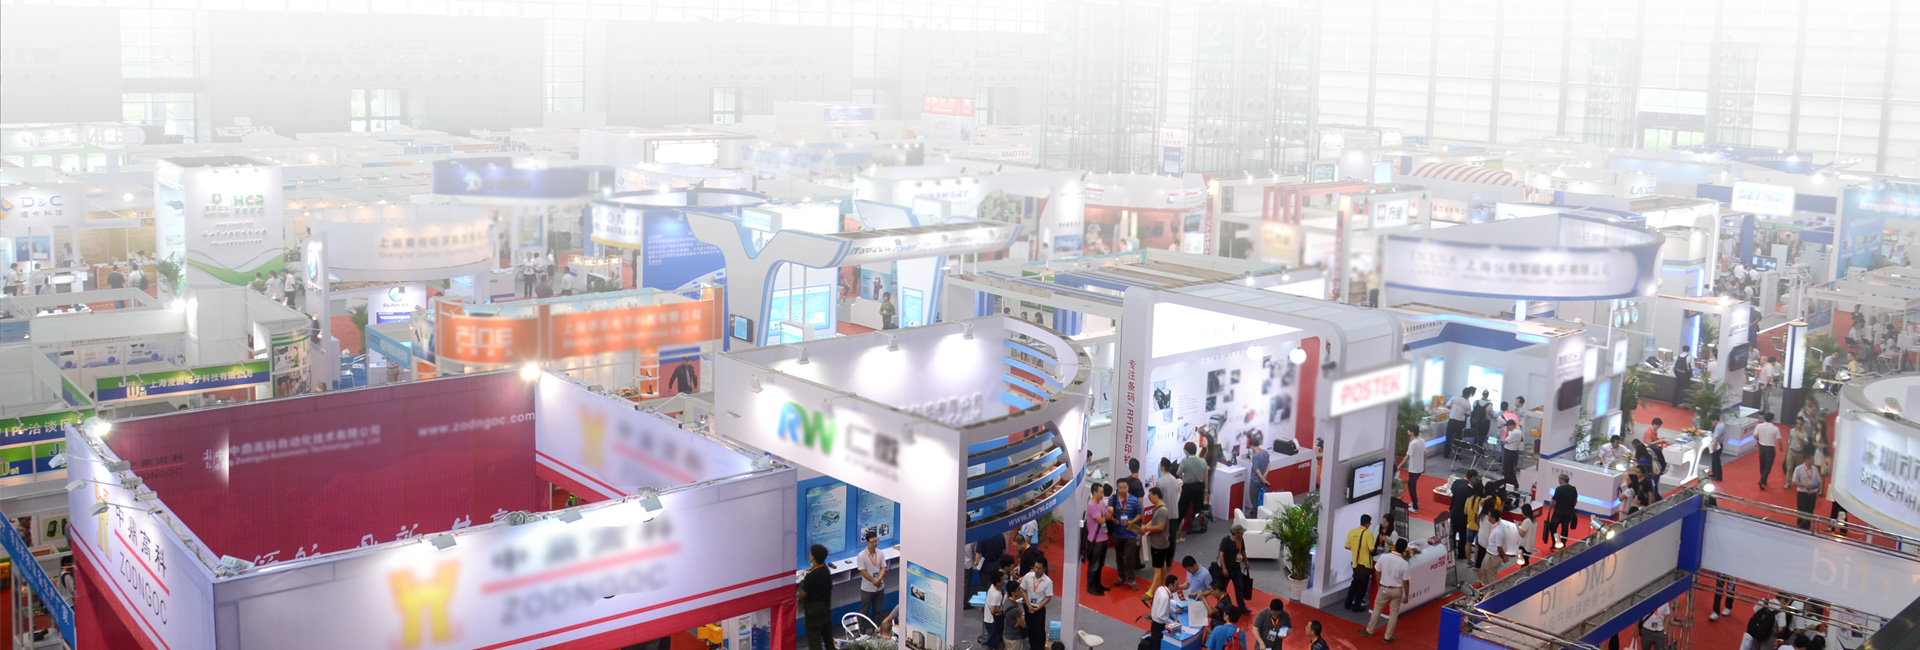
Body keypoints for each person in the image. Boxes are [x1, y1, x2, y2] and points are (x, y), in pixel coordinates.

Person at [1361, 539, 1411, 641]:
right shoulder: (1404, 564)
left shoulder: (1384, 557)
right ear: (1404, 550)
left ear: (1395, 546)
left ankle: (1370, 630)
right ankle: (1388, 637)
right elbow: (1406, 581)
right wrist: (1406, 595)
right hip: (1397, 590)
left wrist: (1379, 584)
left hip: (1384, 588)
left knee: (1377, 610)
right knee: (1393, 614)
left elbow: (1377, 572)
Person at [1110, 480, 1143, 591]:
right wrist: (1112, 519)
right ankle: (1121, 577)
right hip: (1117, 532)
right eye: (1121, 488)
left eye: (1125, 488)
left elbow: (1140, 514)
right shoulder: (1113, 499)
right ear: (1117, 488)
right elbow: (1109, 513)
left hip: (1130, 532)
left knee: (1129, 556)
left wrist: (1132, 521)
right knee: (1119, 556)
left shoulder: (1134, 500)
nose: (1123, 490)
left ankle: (1132, 579)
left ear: (1128, 488)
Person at [799, 544, 833, 650]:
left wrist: (800, 602)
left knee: (815, 642)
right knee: (828, 639)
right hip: (825, 610)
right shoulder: (825, 570)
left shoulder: (811, 576)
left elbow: (803, 594)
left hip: (813, 613)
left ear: (813, 557)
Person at [1478, 505, 1521, 589]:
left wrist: (1503, 557)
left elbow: (1499, 548)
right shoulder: (1496, 525)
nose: (1487, 517)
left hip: (1494, 557)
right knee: (1483, 570)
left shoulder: (1498, 531)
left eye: (1489, 516)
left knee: (1491, 576)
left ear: (1493, 518)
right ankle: (1488, 587)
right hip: (1489, 554)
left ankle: (1492, 592)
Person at [1143, 487, 1176, 595]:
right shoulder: (1159, 508)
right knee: (1162, 564)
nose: (1149, 498)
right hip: (1159, 542)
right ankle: (1160, 585)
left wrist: (1146, 529)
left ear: (1156, 495)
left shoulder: (1162, 510)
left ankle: (1151, 591)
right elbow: (1153, 522)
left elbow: (1160, 527)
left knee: (1157, 568)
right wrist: (1145, 528)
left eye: (1150, 496)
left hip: (1159, 543)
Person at [1342, 514, 1376, 611]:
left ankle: (1348, 603)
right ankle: (1357, 605)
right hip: (1365, 564)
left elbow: (1347, 546)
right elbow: (1371, 549)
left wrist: (1356, 549)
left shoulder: (1352, 532)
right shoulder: (1368, 534)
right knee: (1362, 586)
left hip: (1355, 563)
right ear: (1368, 524)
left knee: (1354, 583)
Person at [1084, 483, 1112, 596]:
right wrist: (1106, 516)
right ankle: (1091, 586)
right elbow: (1101, 520)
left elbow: (1107, 516)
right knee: (1094, 565)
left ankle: (1097, 584)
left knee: (1100, 564)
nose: (1102, 494)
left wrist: (1106, 515)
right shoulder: (1092, 504)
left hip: (1103, 538)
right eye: (1100, 492)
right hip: (1095, 540)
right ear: (1094, 492)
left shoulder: (1100, 503)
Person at [1021, 557, 1052, 650]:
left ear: (1044, 569)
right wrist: (1028, 605)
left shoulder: (1048, 581)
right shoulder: (1028, 576)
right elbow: (1023, 590)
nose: (1036, 570)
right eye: (1035, 567)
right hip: (1028, 606)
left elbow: (1048, 597)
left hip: (1039, 609)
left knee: (1039, 632)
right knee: (1030, 630)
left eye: (1039, 568)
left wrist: (1037, 608)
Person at [1178, 442, 1208, 535]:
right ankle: (1197, 526)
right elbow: (1206, 476)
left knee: (1182, 507)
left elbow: (1178, 473)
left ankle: (1177, 527)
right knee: (1197, 508)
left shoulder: (1184, 462)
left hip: (1188, 488)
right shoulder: (1203, 461)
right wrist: (1206, 488)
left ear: (1186, 451)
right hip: (1200, 487)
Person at [1218, 524, 1251, 609]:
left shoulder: (1241, 540)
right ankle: (1223, 606)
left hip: (1236, 568)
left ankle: (1242, 606)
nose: (1243, 533)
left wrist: (1246, 562)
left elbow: (1242, 551)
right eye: (1241, 532)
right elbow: (1221, 554)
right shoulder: (1226, 540)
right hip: (1227, 568)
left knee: (1240, 587)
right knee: (1223, 588)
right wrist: (1224, 568)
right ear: (1236, 533)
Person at [856, 530, 885, 621]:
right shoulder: (861, 555)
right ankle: (861, 629)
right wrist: (874, 581)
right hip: (867, 588)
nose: (875, 544)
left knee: (877, 610)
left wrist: (878, 579)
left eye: (876, 541)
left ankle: (876, 628)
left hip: (879, 587)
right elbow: (862, 571)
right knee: (864, 611)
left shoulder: (880, 553)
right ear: (867, 542)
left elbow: (883, 567)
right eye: (872, 542)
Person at [1449, 470, 1479, 559]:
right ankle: (1461, 553)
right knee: (1463, 536)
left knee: (1452, 533)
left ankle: (1451, 551)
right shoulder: (1471, 492)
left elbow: (1453, 497)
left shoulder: (1458, 485)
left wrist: (1451, 509)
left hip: (1454, 513)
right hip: (1463, 516)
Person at [1792, 454, 1821, 531]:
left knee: (1810, 514)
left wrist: (1813, 485)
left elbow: (1818, 481)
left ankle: (1807, 530)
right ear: (1806, 460)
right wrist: (1805, 485)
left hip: (1812, 495)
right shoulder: (1798, 469)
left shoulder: (1814, 469)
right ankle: (1800, 530)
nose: (1813, 461)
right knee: (1802, 514)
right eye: (1811, 459)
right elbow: (1794, 482)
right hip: (1803, 494)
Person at [1444, 386, 1475, 459]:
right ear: (1468, 395)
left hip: (1452, 420)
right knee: (1458, 440)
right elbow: (1468, 414)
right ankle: (1456, 455)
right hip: (1460, 423)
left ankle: (1446, 454)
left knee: (1448, 437)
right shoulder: (1467, 404)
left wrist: (1454, 409)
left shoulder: (1454, 398)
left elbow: (1448, 406)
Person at [1147, 574, 1177, 648]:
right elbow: (1161, 616)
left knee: (1154, 643)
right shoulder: (1165, 597)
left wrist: (1174, 611)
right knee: (1157, 645)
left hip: (1155, 624)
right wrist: (1173, 623)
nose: (1178, 586)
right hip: (1159, 626)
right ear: (1170, 585)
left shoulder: (1161, 589)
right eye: (1177, 584)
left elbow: (1165, 606)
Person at [1244, 432, 1270, 514]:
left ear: (1252, 446)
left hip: (1255, 481)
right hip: (1262, 480)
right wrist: (1264, 476)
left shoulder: (1255, 456)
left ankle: (1255, 514)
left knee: (1254, 498)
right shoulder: (1265, 452)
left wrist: (1263, 480)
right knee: (1261, 498)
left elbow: (1257, 470)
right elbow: (1269, 464)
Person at [1403, 425, 1425, 512]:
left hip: (1413, 469)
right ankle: (1415, 502)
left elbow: (1407, 456)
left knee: (1411, 486)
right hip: (1419, 467)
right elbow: (1425, 454)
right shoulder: (1422, 441)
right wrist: (1424, 465)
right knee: (1412, 485)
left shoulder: (1413, 444)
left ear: (1412, 432)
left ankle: (1415, 507)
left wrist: (1399, 466)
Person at [1756, 412, 1781, 489]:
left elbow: (1755, 435)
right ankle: (1762, 480)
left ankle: (1763, 480)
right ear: (1771, 419)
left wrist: (1758, 440)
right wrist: (1781, 447)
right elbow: (1779, 439)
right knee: (1768, 466)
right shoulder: (1775, 428)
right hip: (1770, 449)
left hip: (1761, 447)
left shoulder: (1759, 426)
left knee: (1762, 464)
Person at [984, 569, 1008, 650]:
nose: (1005, 581)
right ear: (997, 582)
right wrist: (1003, 609)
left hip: (989, 619)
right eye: (1003, 580)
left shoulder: (992, 587)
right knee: (990, 646)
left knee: (1000, 644)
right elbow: (993, 611)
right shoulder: (996, 595)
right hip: (992, 622)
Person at [1500, 419, 1524, 485]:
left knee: (1507, 470)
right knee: (1510, 470)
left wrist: (1508, 432)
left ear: (1511, 425)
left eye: (1508, 426)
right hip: (1513, 452)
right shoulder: (1518, 431)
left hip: (1510, 452)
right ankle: (1513, 483)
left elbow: (1506, 441)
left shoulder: (1514, 433)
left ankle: (1509, 483)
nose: (1507, 428)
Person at [1709, 412, 1728, 481]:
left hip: (1717, 445)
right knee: (1715, 460)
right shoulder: (1722, 425)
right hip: (1719, 444)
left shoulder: (1719, 427)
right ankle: (1715, 473)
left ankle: (1718, 476)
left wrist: (1714, 445)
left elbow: (1717, 437)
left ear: (1714, 420)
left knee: (1716, 460)